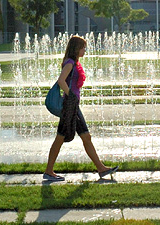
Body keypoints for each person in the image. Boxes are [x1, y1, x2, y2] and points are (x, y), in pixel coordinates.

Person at [43, 34, 119, 182]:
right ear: (76, 48)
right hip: (70, 106)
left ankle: (101, 168)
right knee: (61, 137)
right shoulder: (70, 63)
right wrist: (71, 95)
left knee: (85, 136)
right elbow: (61, 81)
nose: (84, 50)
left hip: (73, 105)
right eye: (83, 47)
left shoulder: (72, 62)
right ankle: (48, 171)